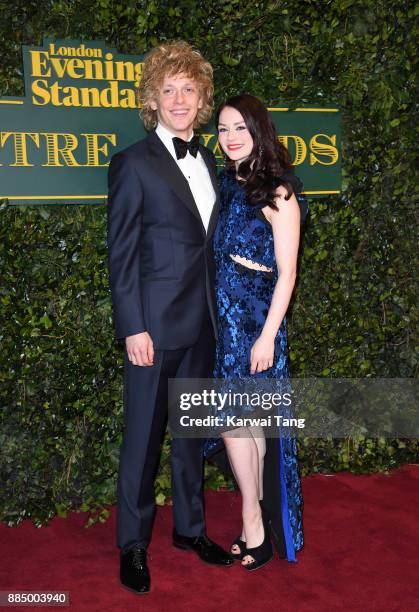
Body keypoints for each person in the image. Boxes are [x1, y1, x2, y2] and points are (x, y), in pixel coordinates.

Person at [107, 41, 233, 596]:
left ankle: (190, 530)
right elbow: (122, 253)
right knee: (142, 438)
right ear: (152, 101)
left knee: (190, 437)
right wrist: (132, 326)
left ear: (202, 98)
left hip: (204, 324)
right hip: (153, 330)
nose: (179, 99)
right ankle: (132, 545)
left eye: (189, 89)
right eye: (168, 90)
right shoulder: (133, 164)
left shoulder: (211, 161)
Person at [209, 94, 305, 570]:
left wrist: (267, 336)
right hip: (224, 317)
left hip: (255, 320)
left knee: (232, 422)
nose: (230, 138)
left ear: (259, 130)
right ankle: (259, 519)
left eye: (240, 128)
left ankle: (253, 521)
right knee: (243, 422)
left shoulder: (279, 190)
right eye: (223, 129)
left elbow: (287, 273)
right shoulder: (230, 184)